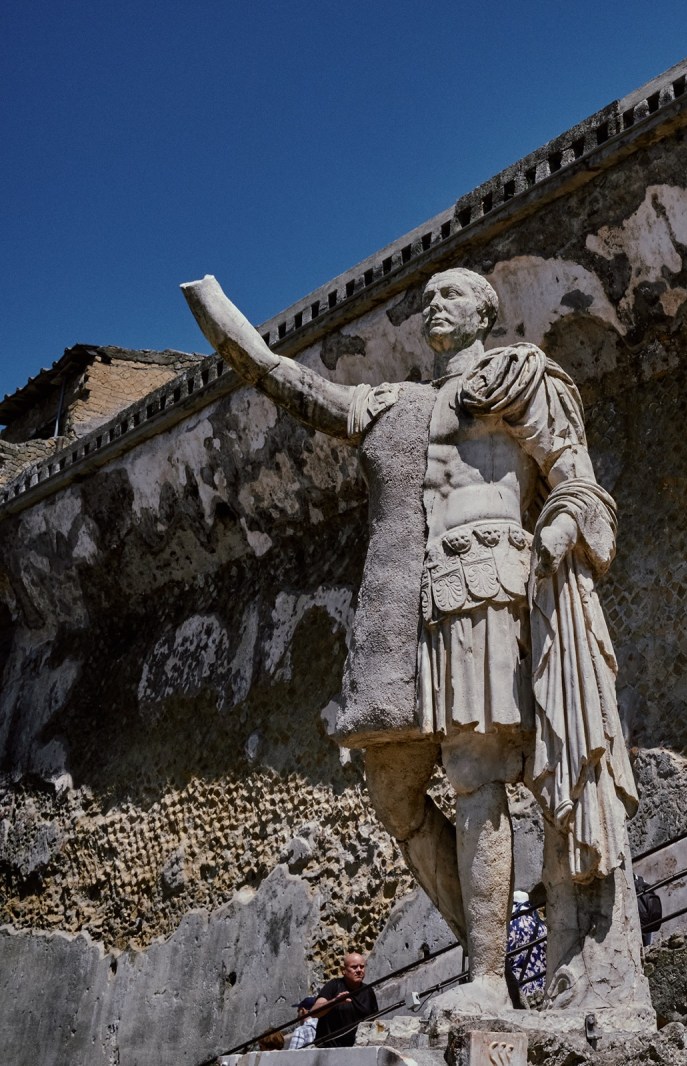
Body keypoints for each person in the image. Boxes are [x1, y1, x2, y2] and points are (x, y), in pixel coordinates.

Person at [182, 269, 648, 1018]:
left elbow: (576, 478)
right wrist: (225, 327)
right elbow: (295, 387)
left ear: (486, 312)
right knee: (394, 794)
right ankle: (487, 954)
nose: (435, 304)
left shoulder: (518, 374)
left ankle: (491, 978)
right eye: (427, 296)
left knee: (476, 776)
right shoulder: (394, 403)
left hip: (490, 586)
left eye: (452, 294)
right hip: (411, 609)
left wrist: (560, 529)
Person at [310, 953, 379, 1049]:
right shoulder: (334, 985)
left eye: (362, 967)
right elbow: (314, 1012)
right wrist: (335, 1001)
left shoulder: (368, 991)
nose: (359, 970)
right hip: (329, 1050)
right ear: (344, 971)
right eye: (354, 967)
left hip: (358, 1050)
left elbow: (374, 1021)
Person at [505, 888, 548, 1009]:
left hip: (520, 989)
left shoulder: (511, 927)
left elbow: (505, 957)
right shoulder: (542, 928)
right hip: (541, 987)